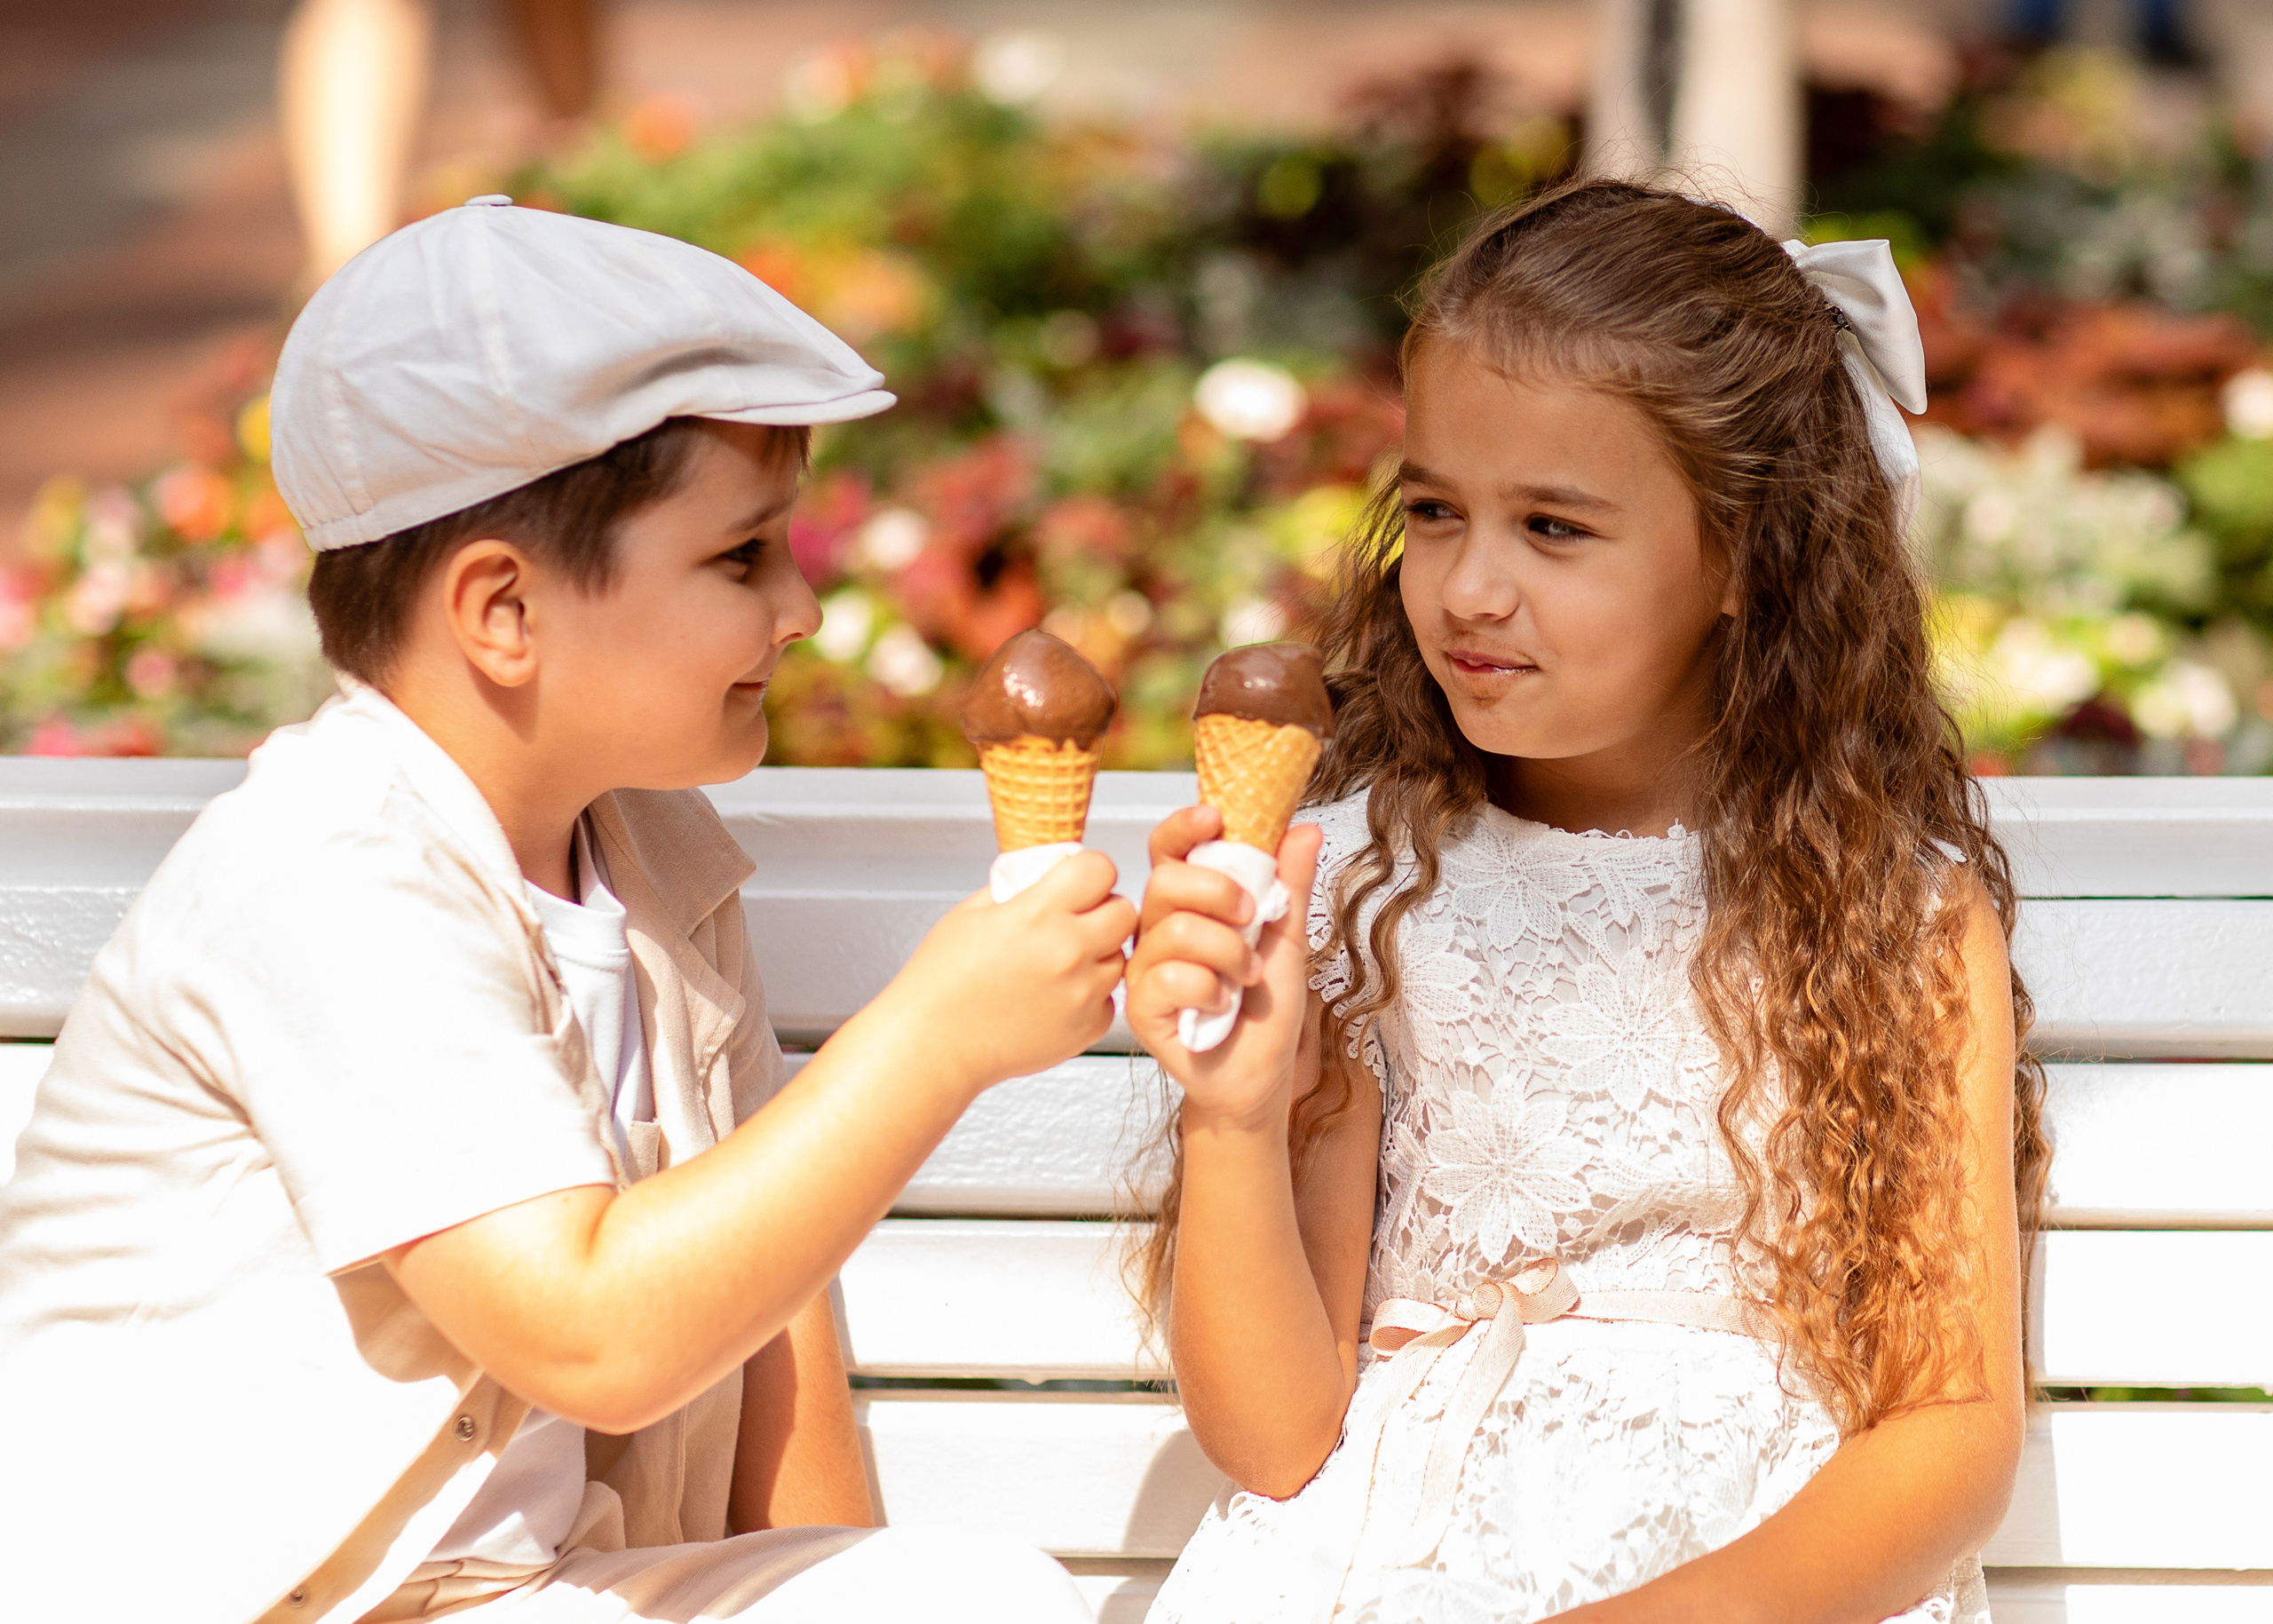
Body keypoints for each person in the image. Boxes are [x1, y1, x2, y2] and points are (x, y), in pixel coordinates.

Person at [0, 198, 1128, 1624]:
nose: (806, 609)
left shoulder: (658, 861)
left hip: (530, 1590)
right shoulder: (328, 876)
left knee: (981, 1599)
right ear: (503, 613)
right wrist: (936, 1037)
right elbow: (590, 1332)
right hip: (260, 1596)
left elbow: (778, 1342)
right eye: (742, 558)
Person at [1121, 178, 2047, 1623]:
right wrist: (1230, 1110)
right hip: (1388, 1566)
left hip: (1754, 1580)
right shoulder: (1362, 882)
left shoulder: (1891, 914)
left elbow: (1948, 1435)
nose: (1470, 588)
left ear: (1745, 554)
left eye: (1553, 527)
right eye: (1435, 511)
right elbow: (1276, 1435)